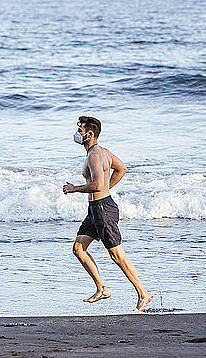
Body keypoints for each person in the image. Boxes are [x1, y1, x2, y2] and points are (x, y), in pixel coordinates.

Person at [63, 116, 152, 312]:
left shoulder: (95, 155)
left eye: (81, 130)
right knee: (79, 248)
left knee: (117, 255)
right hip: (96, 209)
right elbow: (121, 169)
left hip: (103, 210)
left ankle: (143, 293)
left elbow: (97, 185)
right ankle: (102, 288)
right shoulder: (103, 152)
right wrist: (105, 191)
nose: (78, 133)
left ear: (90, 134)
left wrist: (74, 189)